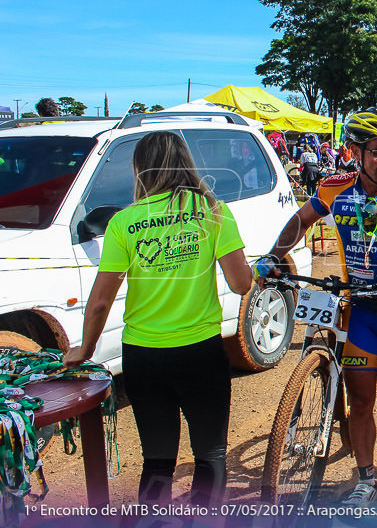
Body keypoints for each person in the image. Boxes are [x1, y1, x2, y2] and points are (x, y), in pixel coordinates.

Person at [253, 108, 377, 510]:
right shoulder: (333, 189)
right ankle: (367, 478)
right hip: (358, 312)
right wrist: (275, 255)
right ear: (353, 152)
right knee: (360, 402)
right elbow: (299, 221)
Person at [63, 131, 252, 507]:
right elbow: (241, 282)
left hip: (144, 355)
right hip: (201, 352)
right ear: (186, 162)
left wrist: (84, 349)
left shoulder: (124, 222)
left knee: (158, 459)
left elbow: (100, 301)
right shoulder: (213, 210)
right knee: (209, 454)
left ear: (140, 170)